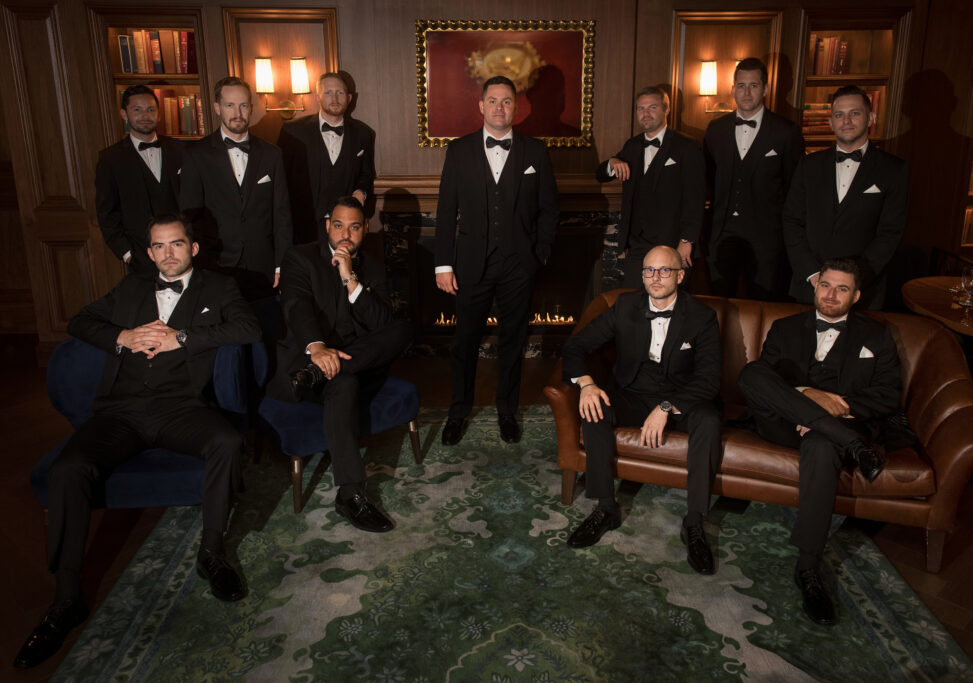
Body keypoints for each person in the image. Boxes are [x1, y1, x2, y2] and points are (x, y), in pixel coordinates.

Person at [13, 215, 260, 669]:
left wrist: (181, 338)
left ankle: (211, 553)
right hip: (120, 412)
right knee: (69, 468)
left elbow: (248, 329)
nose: (169, 253)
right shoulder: (129, 290)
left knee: (226, 442)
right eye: (160, 247)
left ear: (194, 248)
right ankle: (67, 597)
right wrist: (122, 337)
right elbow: (80, 321)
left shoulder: (218, 288)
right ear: (149, 253)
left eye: (177, 244)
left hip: (181, 409)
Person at [738, 258, 901, 625]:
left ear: (856, 296)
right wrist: (808, 396)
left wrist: (833, 416)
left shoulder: (876, 336)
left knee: (823, 445)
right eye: (826, 285)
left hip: (833, 432)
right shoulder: (785, 328)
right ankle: (847, 440)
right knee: (751, 373)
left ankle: (809, 569)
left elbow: (889, 396)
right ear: (815, 287)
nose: (831, 294)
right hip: (783, 423)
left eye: (842, 288)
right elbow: (768, 382)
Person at [560, 245, 722, 575]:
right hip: (633, 393)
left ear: (680, 274)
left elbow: (709, 379)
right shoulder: (624, 306)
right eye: (649, 270)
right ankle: (605, 508)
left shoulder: (701, 316)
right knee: (596, 408)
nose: (655, 277)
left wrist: (667, 407)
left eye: (665, 270)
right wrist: (588, 384)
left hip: (682, 399)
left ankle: (694, 522)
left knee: (709, 420)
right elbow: (576, 345)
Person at [268, 197, 412, 532]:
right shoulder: (300, 257)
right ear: (327, 225)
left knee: (402, 327)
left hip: (351, 363)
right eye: (338, 225)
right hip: (306, 365)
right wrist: (317, 349)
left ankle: (328, 370)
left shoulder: (372, 267)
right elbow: (296, 306)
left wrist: (350, 278)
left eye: (354, 227)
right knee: (342, 383)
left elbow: (380, 326)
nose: (345, 234)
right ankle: (351, 494)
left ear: (364, 229)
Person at [435, 75, 559, 446]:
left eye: (507, 101)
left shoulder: (535, 152)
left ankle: (507, 411)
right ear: (481, 105)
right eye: (493, 101)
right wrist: (443, 264)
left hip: (519, 265)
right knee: (464, 342)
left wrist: (540, 254)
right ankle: (458, 412)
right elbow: (445, 212)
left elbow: (550, 210)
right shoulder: (458, 151)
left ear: (516, 107)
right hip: (471, 263)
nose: (499, 108)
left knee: (512, 342)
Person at [782, 85, 908, 309]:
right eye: (839, 115)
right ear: (831, 122)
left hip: (863, 291)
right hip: (809, 286)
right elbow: (792, 221)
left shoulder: (893, 170)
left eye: (855, 113)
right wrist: (812, 274)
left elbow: (890, 233)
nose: (846, 121)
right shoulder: (808, 166)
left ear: (870, 118)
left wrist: (850, 281)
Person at [180, 76, 293, 299]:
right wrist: (199, 264)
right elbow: (190, 217)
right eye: (229, 105)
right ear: (217, 108)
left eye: (243, 105)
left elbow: (282, 215)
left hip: (263, 266)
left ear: (251, 108)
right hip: (215, 265)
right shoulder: (196, 155)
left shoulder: (272, 154)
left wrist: (282, 265)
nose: (237, 113)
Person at [703, 58, 804, 300]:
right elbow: (707, 181)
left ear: (766, 89)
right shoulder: (715, 129)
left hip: (767, 239)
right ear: (732, 89)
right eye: (741, 85)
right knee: (719, 303)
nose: (746, 92)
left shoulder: (786, 131)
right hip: (721, 234)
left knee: (763, 303)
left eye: (754, 85)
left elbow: (795, 188)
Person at [596, 86, 704, 289]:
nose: (645, 113)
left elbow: (695, 198)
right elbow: (600, 174)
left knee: (670, 306)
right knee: (634, 303)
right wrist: (612, 163)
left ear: (667, 110)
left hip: (672, 244)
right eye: (640, 108)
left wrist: (687, 240)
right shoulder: (632, 146)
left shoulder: (687, 147)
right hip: (637, 245)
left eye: (652, 107)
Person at [95, 85, 184, 275]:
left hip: (184, 252)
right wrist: (127, 254)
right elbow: (107, 214)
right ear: (124, 114)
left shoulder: (181, 150)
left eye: (151, 110)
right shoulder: (110, 159)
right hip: (141, 256)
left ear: (159, 114)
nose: (145, 115)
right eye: (137, 110)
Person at [279, 72, 376, 244]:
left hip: (345, 231)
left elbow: (366, 174)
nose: (335, 98)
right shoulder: (292, 132)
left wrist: (361, 191)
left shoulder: (364, 134)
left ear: (349, 97)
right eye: (328, 92)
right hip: (302, 228)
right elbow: (281, 180)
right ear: (318, 97)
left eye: (339, 93)